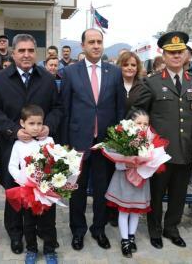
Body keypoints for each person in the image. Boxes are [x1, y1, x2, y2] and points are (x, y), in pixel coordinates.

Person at [0, 33, 62, 255]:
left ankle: (44, 234)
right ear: (14, 52)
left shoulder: (47, 78)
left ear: (36, 53)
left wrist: (49, 126)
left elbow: (58, 108)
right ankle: (16, 234)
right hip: (12, 148)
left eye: (30, 51)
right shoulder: (0, 79)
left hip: (41, 150)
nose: (26, 55)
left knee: (44, 191)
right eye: (22, 51)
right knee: (15, 193)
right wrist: (13, 130)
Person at [133, 31, 192, 249]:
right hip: (160, 152)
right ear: (163, 56)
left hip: (186, 149)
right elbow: (138, 112)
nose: (175, 56)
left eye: (179, 52)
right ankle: (154, 229)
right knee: (156, 193)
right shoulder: (152, 82)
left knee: (179, 193)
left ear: (186, 55)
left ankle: (171, 228)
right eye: (170, 52)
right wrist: (143, 141)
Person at [61, 28, 125, 251]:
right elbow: (65, 108)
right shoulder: (70, 72)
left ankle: (99, 229)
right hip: (78, 142)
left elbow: (119, 109)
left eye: (99, 42)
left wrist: (118, 140)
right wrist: (66, 143)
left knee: (101, 190)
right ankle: (78, 231)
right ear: (83, 46)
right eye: (91, 42)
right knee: (76, 191)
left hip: (105, 143)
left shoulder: (114, 72)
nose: (96, 45)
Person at [105, 109, 160, 258]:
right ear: (130, 123)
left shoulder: (149, 140)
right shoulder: (123, 138)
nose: (142, 126)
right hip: (124, 181)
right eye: (139, 123)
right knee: (124, 211)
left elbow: (153, 161)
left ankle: (131, 236)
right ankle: (124, 241)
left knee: (136, 211)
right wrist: (128, 164)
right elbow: (117, 164)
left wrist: (147, 163)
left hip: (141, 181)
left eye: (145, 124)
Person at [8, 105, 58, 264]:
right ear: (22, 123)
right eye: (31, 123)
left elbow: (56, 162)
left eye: (39, 123)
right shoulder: (18, 144)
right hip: (28, 191)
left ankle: (50, 250)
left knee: (49, 223)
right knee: (28, 223)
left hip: (47, 191)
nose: (36, 127)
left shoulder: (49, 141)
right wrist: (24, 180)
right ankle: (31, 249)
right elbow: (12, 166)